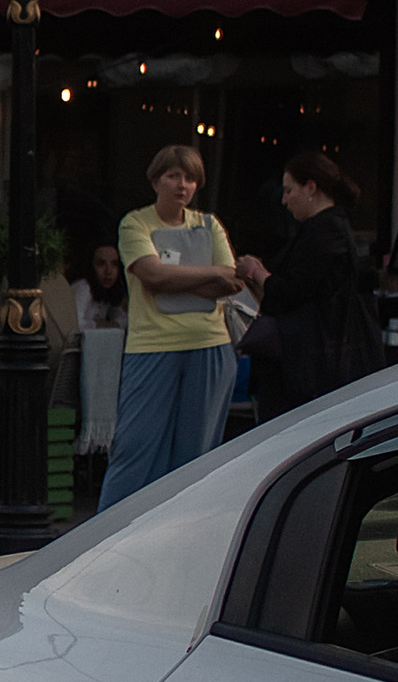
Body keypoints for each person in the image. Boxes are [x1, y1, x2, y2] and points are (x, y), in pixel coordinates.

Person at [98, 145, 251, 508]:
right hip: (152, 347)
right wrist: (208, 274)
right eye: (173, 176)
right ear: (156, 180)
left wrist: (177, 279)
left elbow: (232, 281)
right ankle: (106, 533)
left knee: (197, 455)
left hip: (210, 345)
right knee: (135, 447)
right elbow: (151, 275)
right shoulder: (136, 223)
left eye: (191, 178)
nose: (182, 185)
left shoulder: (209, 225)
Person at [243, 150, 377, 421]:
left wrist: (255, 273)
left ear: (311, 187)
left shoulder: (324, 232)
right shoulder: (328, 229)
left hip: (309, 363)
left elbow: (292, 291)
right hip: (312, 360)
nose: (284, 200)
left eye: (289, 190)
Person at [69, 237, 130, 517]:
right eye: (101, 264)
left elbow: (125, 322)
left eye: (114, 265)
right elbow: (79, 324)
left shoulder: (118, 295)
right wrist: (108, 324)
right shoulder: (82, 289)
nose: (108, 271)